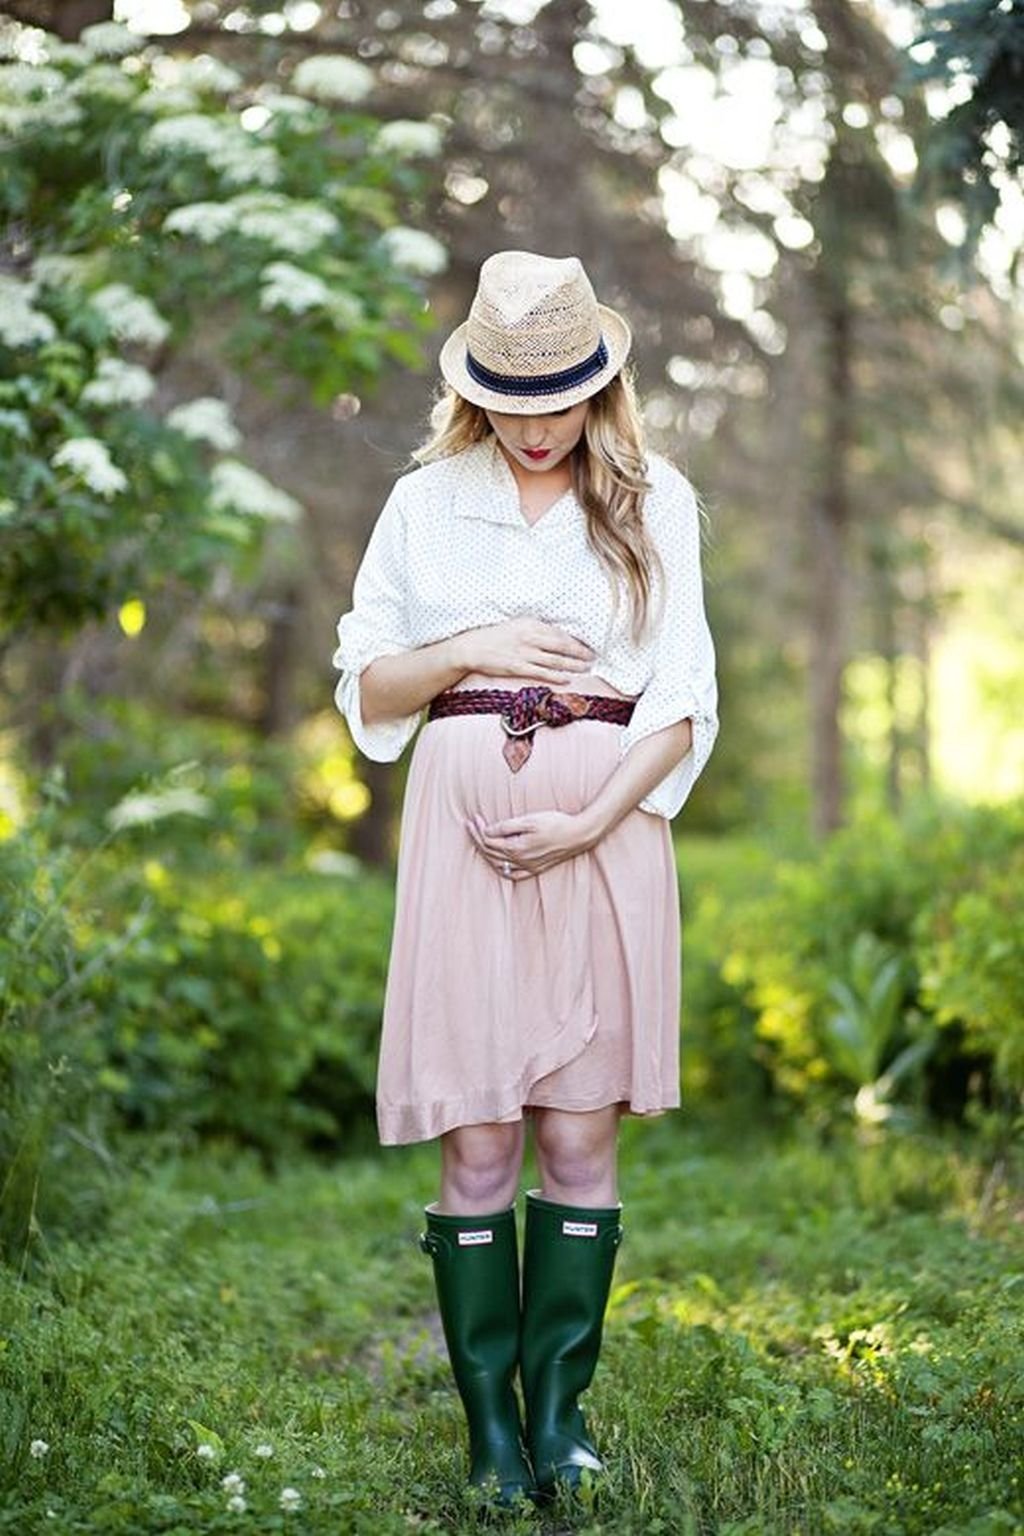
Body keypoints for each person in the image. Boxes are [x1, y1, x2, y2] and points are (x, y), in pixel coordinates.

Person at [331, 249, 719, 1507]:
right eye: (514, 398)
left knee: (576, 1124)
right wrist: (473, 645)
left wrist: (592, 818)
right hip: (462, 837)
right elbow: (371, 689)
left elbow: (683, 696)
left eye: (560, 398)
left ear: (600, 385)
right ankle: (488, 1432)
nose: (538, 426)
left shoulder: (658, 500)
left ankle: (561, 1418)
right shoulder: (425, 504)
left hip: (604, 833)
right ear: (476, 390)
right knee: (481, 1137)